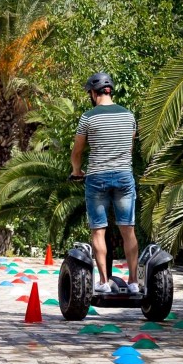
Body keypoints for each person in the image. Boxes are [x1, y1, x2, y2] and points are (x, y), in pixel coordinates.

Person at [70, 71, 139, 294]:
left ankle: (104, 282)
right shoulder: (129, 116)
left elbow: (77, 151)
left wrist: (76, 170)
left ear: (93, 93)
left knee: (98, 231)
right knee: (128, 230)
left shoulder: (88, 117)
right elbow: (129, 148)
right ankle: (134, 282)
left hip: (97, 177)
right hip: (123, 176)